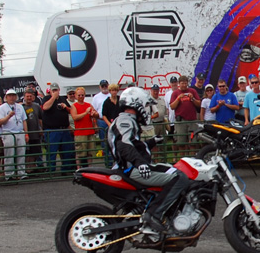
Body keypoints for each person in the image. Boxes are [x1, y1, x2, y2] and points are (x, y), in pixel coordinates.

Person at [107, 87, 193, 238]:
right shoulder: (125, 120)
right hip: (132, 169)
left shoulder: (128, 121)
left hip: (132, 167)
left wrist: (152, 142)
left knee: (175, 170)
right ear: (137, 104)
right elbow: (124, 146)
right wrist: (140, 163)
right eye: (146, 106)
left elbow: (134, 146)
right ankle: (154, 215)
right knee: (180, 178)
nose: (147, 110)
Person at [0, 88, 28, 181]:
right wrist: (9, 116)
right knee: (9, 153)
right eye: (10, 96)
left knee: (21, 152)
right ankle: (9, 174)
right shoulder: (2, 107)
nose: (12, 97)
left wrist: (26, 133)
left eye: (13, 95)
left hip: (19, 131)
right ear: (6, 97)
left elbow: (24, 120)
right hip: (8, 131)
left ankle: (21, 173)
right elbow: (0, 121)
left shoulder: (20, 106)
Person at [41, 83, 73, 175]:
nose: (55, 92)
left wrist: (65, 106)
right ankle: (51, 170)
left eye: (56, 90)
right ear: (50, 91)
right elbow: (45, 107)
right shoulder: (46, 98)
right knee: (52, 151)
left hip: (64, 129)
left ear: (59, 90)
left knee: (66, 151)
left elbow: (70, 110)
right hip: (52, 130)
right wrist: (53, 97)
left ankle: (66, 169)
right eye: (53, 90)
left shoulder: (63, 99)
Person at [70, 87, 97, 169]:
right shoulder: (73, 106)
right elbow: (75, 117)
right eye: (79, 95)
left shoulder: (89, 105)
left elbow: (95, 115)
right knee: (79, 153)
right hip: (80, 132)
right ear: (75, 96)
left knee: (90, 152)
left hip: (90, 131)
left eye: (82, 95)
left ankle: (89, 168)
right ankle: (78, 169)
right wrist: (85, 112)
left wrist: (94, 114)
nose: (81, 96)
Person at [22, 87, 45, 176]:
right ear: (24, 97)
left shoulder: (37, 106)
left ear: (34, 97)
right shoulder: (21, 107)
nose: (29, 98)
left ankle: (33, 168)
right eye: (27, 96)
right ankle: (27, 169)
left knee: (36, 151)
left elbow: (40, 119)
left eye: (31, 96)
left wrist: (41, 128)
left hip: (36, 133)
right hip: (27, 134)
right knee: (28, 152)